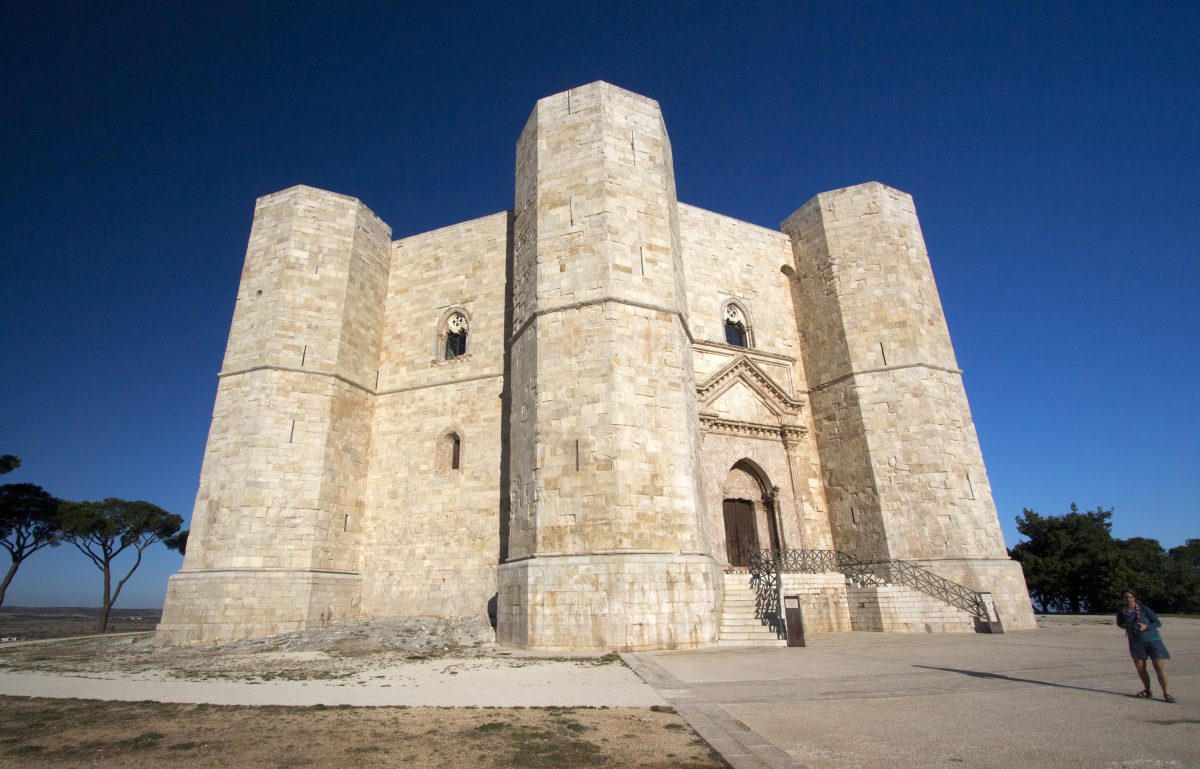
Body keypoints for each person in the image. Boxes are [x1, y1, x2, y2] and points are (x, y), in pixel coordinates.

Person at [1115, 590, 1173, 703]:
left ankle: (1166, 693)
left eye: (1131, 597)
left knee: (1159, 667)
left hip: (1153, 640)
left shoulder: (1144, 608)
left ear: (1134, 597)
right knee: (1140, 667)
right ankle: (1147, 690)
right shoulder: (1121, 611)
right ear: (1123, 599)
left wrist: (1146, 626)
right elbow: (1119, 623)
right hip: (1135, 641)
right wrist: (1128, 626)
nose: (1129, 599)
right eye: (1126, 597)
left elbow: (1157, 623)